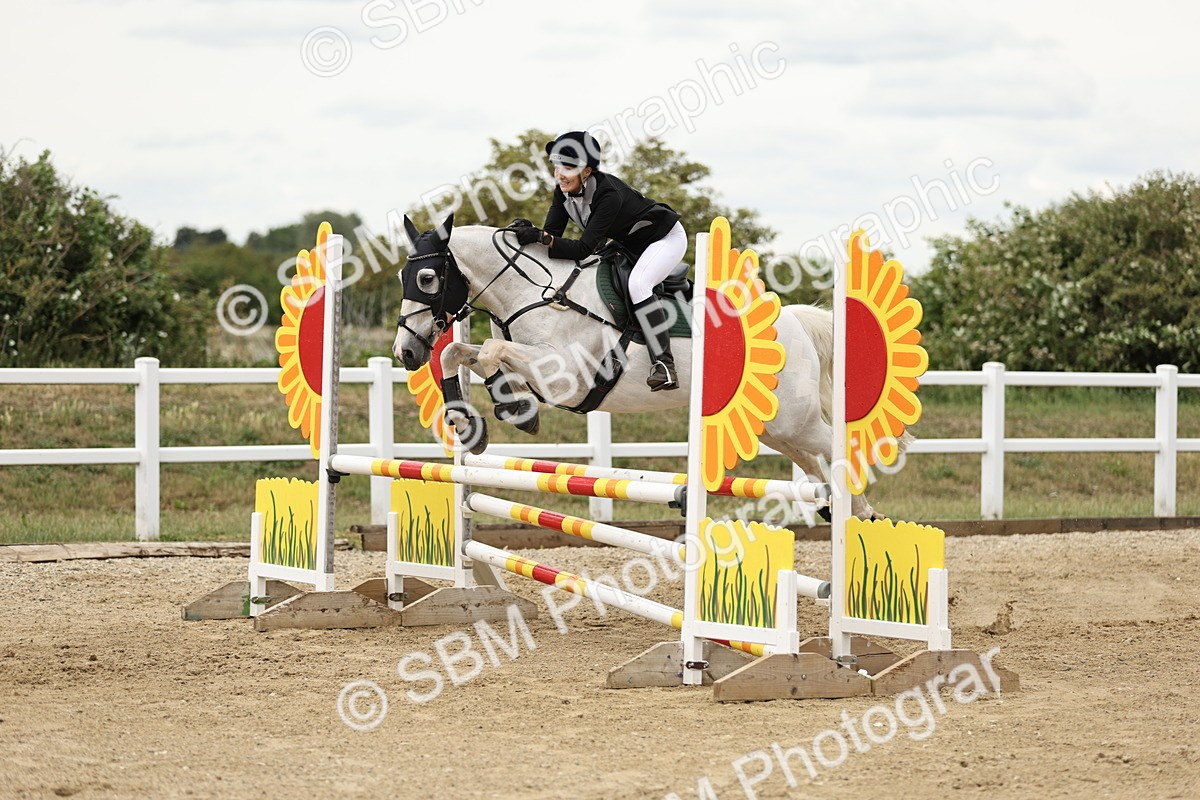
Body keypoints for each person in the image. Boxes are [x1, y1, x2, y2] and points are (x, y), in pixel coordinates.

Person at [514, 131, 687, 391]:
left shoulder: (608, 194)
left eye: (569, 167)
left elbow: (584, 247)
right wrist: (531, 235)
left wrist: (543, 237)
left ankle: (664, 364)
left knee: (639, 284)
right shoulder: (562, 192)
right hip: (629, 243)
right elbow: (553, 236)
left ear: (588, 171)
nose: (560, 173)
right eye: (557, 166)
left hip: (663, 239)